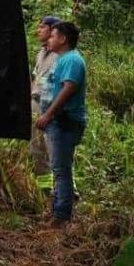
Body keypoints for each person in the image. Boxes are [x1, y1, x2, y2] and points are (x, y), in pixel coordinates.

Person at [35, 21, 87, 226]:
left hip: (64, 122)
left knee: (61, 170)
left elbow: (68, 88)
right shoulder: (64, 59)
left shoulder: (72, 60)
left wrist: (48, 114)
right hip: (59, 121)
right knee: (59, 167)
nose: (49, 39)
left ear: (63, 39)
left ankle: (61, 216)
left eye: (53, 36)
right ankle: (57, 211)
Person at [30, 16, 61, 184]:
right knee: (36, 147)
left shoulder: (60, 56)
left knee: (54, 148)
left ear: (52, 30)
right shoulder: (40, 53)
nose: (39, 30)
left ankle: (64, 188)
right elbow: (35, 79)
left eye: (42, 27)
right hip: (35, 104)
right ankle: (45, 188)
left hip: (51, 106)